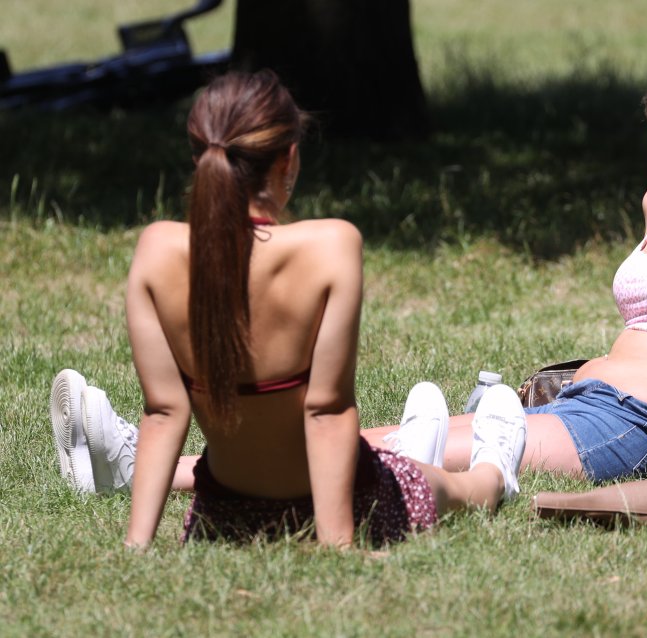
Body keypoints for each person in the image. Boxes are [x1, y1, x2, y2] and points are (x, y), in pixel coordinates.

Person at [56, 46, 647, 498]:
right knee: (392, 442)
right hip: (583, 397)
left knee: (385, 451)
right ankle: (147, 464)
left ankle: (143, 463)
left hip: (632, 429)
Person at [50, 70, 527, 548]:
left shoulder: (156, 250)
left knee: (407, 466)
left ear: (199, 157)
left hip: (225, 514)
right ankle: (495, 467)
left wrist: (137, 547)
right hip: (351, 500)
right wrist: (337, 547)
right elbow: (326, 411)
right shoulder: (331, 246)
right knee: (460, 488)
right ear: (290, 158)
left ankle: (417, 445)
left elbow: (163, 413)